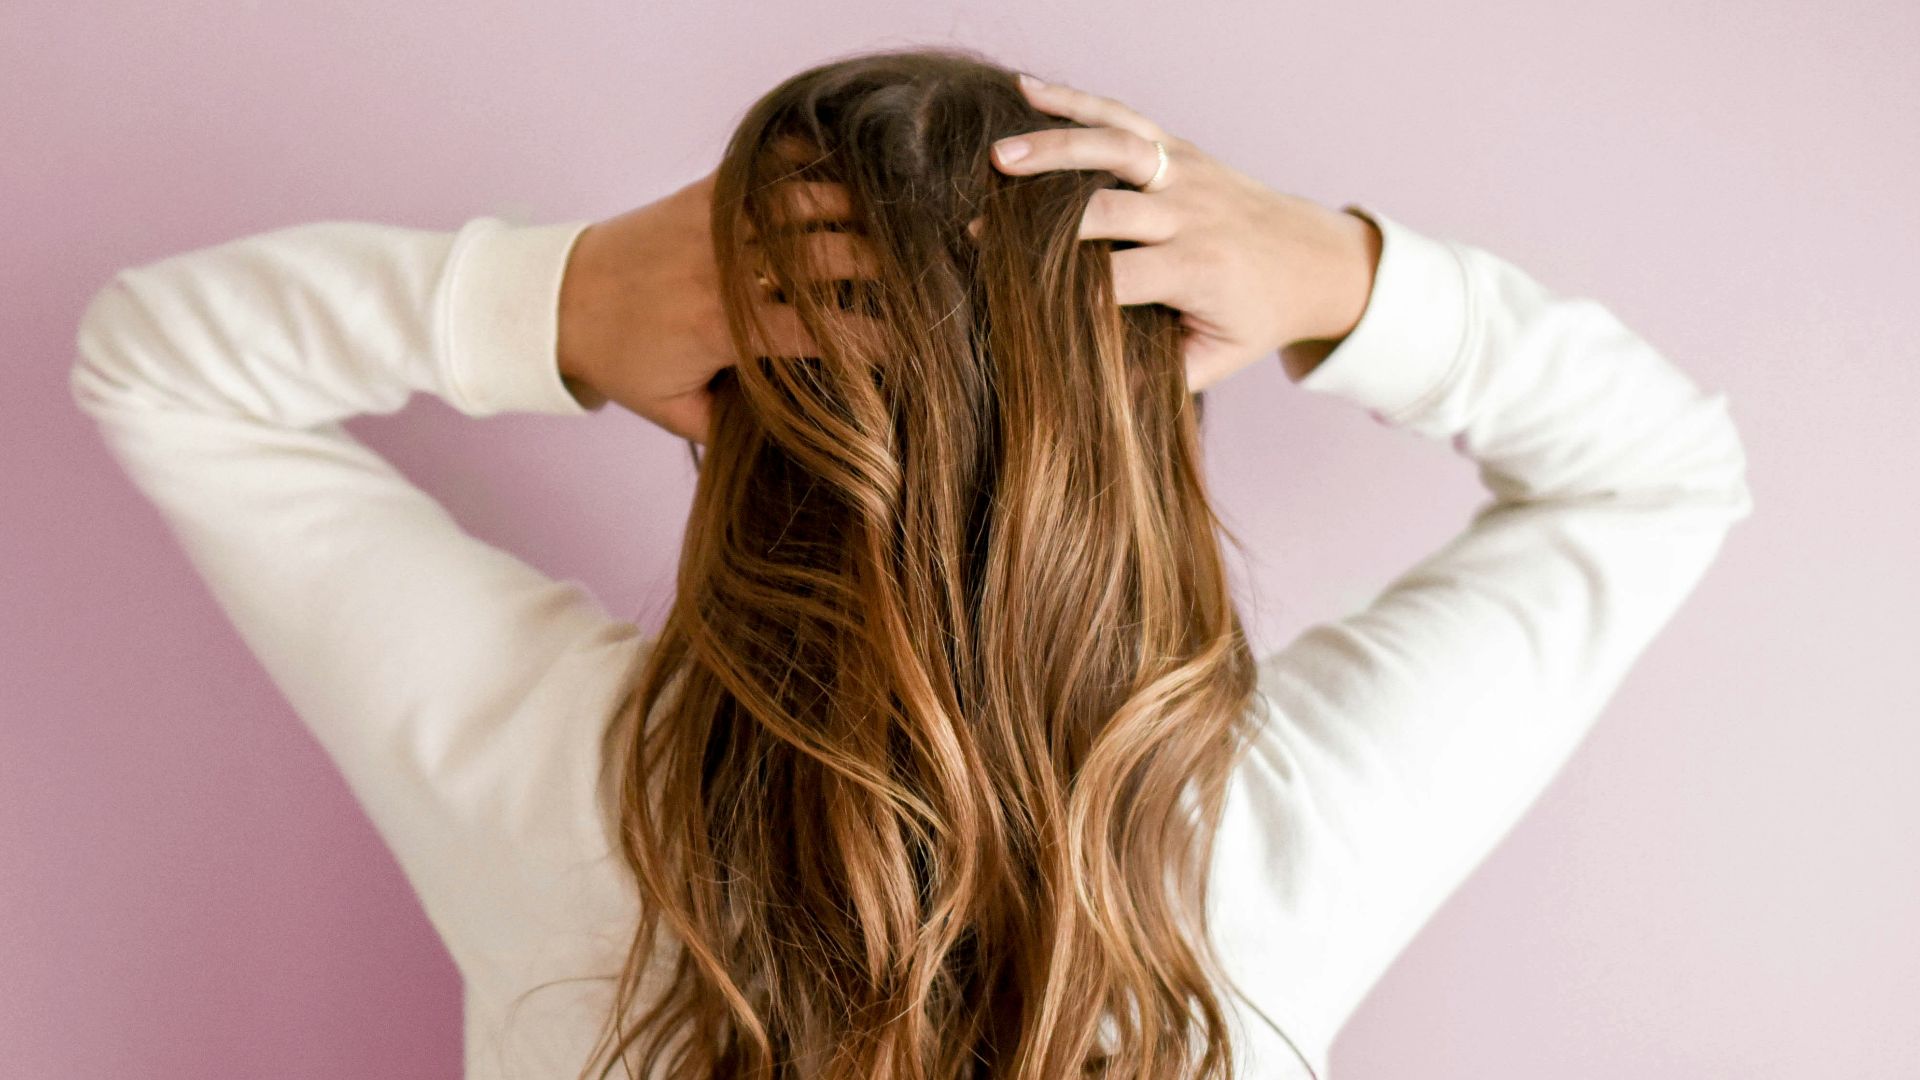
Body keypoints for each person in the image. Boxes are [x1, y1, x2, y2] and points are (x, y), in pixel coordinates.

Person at [69, 47, 1752, 1080]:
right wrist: (1340, 277)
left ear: (729, 403)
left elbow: (159, 362)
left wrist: (560, 296)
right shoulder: (1262, 845)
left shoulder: (568, 788)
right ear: (1147, 426)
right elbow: (1658, 475)